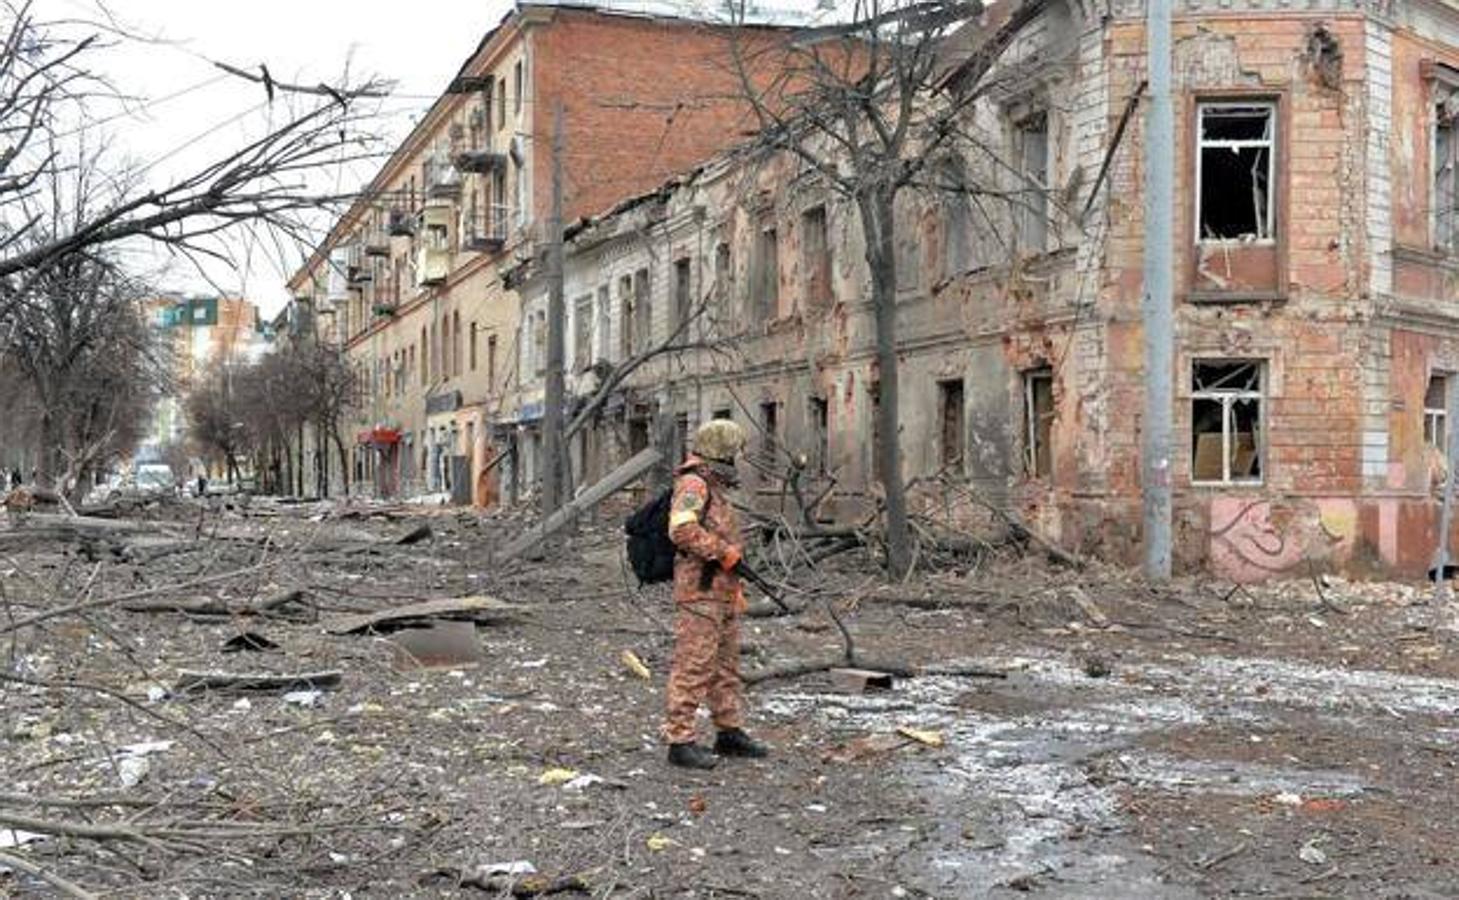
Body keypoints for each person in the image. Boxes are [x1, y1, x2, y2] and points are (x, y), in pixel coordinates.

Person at [663, 419, 768, 769]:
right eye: (734, 449)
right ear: (721, 449)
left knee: (725, 666)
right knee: (694, 666)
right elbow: (682, 530)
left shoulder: (714, 483)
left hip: (720, 591)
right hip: (699, 592)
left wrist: (733, 582)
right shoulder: (694, 483)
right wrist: (721, 552)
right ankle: (680, 741)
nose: (738, 457)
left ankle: (729, 732)